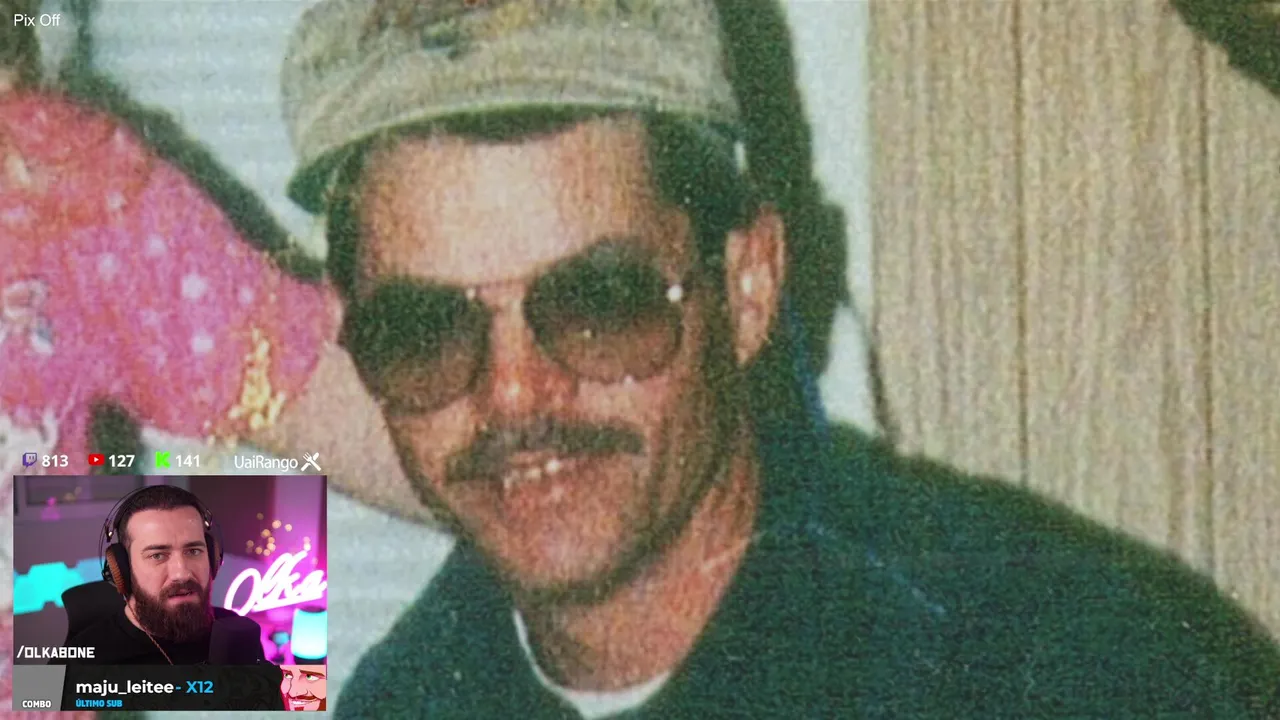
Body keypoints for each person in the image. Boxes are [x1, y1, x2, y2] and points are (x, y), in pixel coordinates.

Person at [276, 0, 1280, 717]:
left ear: (749, 286)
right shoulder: (407, 696)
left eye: (600, 305)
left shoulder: (1067, 674)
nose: (514, 394)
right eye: (423, 331)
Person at [51, 485, 262, 665]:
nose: (181, 573)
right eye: (157, 555)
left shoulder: (237, 634)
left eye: (193, 551)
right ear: (122, 568)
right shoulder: (75, 662)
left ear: (213, 558)